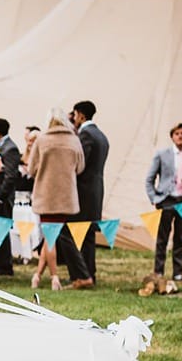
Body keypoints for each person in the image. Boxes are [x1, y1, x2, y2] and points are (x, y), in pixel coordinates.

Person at [28, 115, 88, 291]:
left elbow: (31, 169)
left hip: (45, 194)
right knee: (51, 237)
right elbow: (80, 167)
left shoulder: (42, 140)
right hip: (65, 195)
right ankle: (41, 276)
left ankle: (49, 277)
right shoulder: (74, 141)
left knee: (49, 237)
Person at [143, 123, 182, 292]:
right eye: (177, 133)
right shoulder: (162, 154)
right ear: (172, 136)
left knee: (180, 237)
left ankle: (177, 271)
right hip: (166, 199)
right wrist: (154, 197)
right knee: (162, 237)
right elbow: (149, 178)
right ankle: (158, 270)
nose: (180, 136)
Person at [68, 102, 108, 286]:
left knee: (77, 234)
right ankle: (89, 272)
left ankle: (81, 274)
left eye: (75, 114)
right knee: (88, 235)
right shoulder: (101, 135)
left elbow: (79, 164)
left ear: (81, 115)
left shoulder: (86, 135)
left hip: (83, 190)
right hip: (96, 189)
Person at [0, 118, 22, 276]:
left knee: (2, 230)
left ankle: (5, 266)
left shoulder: (10, 148)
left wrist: (0, 196)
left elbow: (10, 176)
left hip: (3, 196)